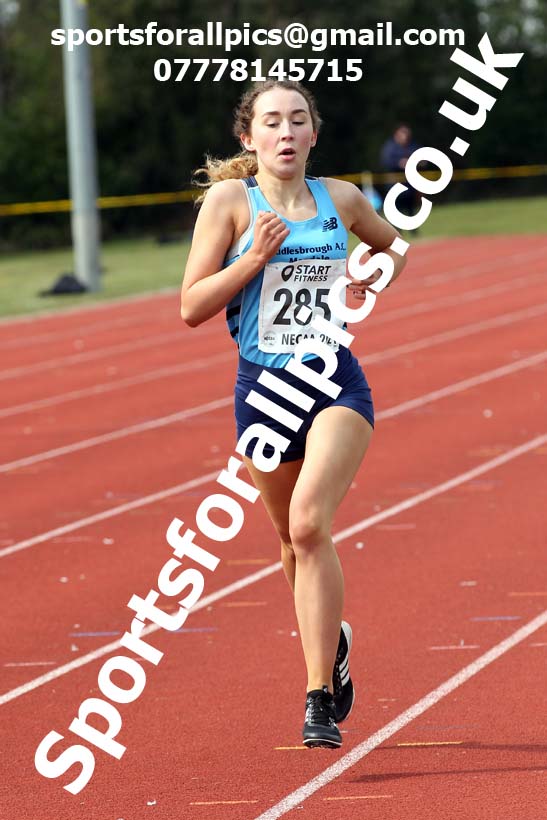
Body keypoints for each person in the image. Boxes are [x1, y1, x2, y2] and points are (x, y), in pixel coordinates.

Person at [181, 80, 406, 748]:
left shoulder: (340, 199)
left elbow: (392, 247)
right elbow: (191, 305)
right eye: (270, 122)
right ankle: (331, 641)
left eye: (297, 121)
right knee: (289, 542)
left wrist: (372, 274)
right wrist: (253, 257)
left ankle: (316, 698)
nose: (285, 132)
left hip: (334, 383)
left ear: (313, 134)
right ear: (248, 138)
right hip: (263, 392)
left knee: (310, 523)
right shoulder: (230, 203)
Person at [380, 123, 421, 221]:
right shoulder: (390, 147)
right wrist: (399, 163)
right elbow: (385, 161)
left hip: (409, 183)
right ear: (396, 134)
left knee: (410, 207)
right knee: (396, 208)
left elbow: (423, 160)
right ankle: (398, 231)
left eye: (407, 134)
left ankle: (414, 231)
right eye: (403, 133)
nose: (405, 136)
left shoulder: (412, 146)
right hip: (394, 184)